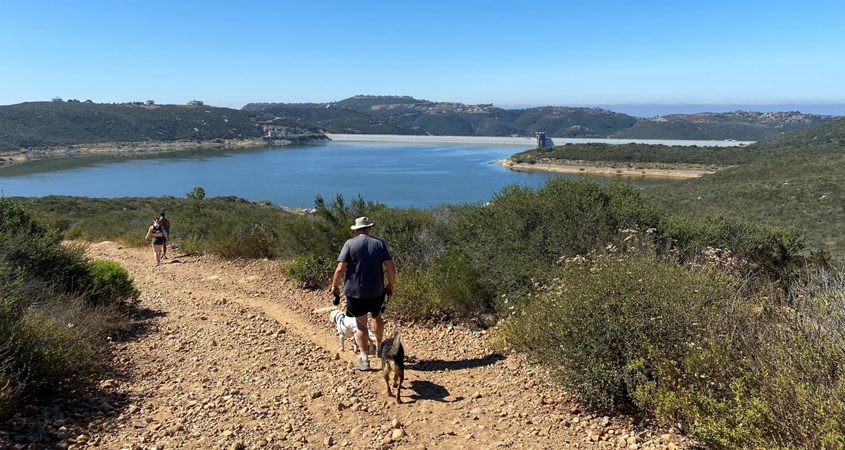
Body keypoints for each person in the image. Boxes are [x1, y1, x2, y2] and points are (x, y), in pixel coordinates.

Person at [330, 216, 395, 371]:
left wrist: (334, 286)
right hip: (376, 290)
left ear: (357, 229)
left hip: (355, 292)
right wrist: (391, 284)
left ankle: (364, 359)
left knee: (360, 324)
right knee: (377, 317)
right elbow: (390, 266)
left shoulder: (349, 244)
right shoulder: (379, 244)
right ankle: (379, 347)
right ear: (369, 228)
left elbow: (340, 268)